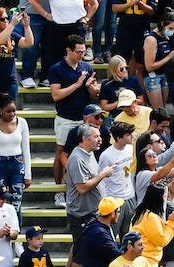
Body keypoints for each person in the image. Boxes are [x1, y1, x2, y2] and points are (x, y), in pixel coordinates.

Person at [51, 35, 101, 208]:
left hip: (85, 120)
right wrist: (78, 84)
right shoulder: (57, 69)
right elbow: (56, 95)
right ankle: (58, 191)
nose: (82, 54)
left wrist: (91, 87)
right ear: (68, 50)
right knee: (60, 153)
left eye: (83, 51)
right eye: (78, 51)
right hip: (65, 118)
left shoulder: (87, 66)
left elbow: (95, 95)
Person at [66, 123, 113, 267]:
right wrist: (102, 175)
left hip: (92, 212)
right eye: (96, 136)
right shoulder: (77, 158)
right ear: (85, 139)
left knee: (81, 248)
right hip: (82, 213)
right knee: (80, 255)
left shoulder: (89, 154)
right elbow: (82, 187)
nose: (100, 139)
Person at [0, 94, 32, 218]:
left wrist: (28, 174)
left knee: (17, 202)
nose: (12, 114)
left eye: (14, 111)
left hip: (17, 163)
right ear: (0, 110)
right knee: (0, 201)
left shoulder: (22, 123)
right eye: (8, 111)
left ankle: (16, 230)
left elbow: (26, 150)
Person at [0, 8, 33, 116]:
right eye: (3, 19)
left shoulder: (12, 35)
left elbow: (28, 42)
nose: (6, 20)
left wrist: (26, 26)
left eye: (7, 18)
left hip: (10, 82)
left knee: (10, 114)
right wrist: (13, 24)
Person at [142, 10, 174, 110]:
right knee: (159, 111)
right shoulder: (151, 39)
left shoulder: (166, 37)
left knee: (163, 109)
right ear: (162, 23)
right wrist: (170, 56)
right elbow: (149, 66)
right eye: (170, 28)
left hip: (164, 74)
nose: (172, 31)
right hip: (153, 77)